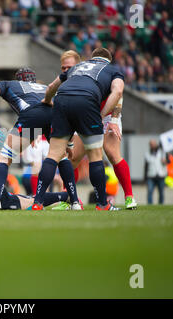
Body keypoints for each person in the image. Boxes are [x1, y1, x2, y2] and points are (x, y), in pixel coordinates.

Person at [0, 67, 80, 210]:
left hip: (32, 115)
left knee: (4, 157)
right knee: (61, 157)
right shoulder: (44, 87)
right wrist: (70, 144)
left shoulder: (11, 85)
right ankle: (75, 202)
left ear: (19, 79)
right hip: (56, 116)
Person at [32, 47, 124, 211]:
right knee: (95, 155)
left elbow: (52, 86)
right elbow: (118, 91)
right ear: (108, 61)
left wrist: (47, 100)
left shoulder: (77, 68)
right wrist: (101, 115)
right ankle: (102, 204)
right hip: (87, 100)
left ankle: (37, 203)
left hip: (62, 100)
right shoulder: (112, 70)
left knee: (53, 155)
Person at [57, 50, 138, 210]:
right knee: (74, 157)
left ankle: (129, 197)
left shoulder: (108, 71)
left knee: (113, 154)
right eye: (63, 68)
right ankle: (70, 199)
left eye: (68, 67)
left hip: (106, 115)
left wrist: (113, 120)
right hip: (88, 112)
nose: (66, 70)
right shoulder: (85, 71)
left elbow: (118, 95)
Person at [144, 139, 168, 204]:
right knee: (150, 191)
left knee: (161, 192)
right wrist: (145, 178)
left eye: (153, 144)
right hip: (151, 175)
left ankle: (161, 204)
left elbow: (168, 161)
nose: (152, 145)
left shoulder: (162, 152)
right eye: (151, 144)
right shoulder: (147, 154)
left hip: (161, 175)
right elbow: (146, 166)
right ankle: (150, 204)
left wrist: (165, 161)